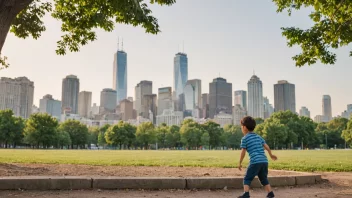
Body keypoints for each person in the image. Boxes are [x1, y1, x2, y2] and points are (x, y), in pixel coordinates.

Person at [237, 116, 278, 198]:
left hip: (255, 162)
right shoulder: (258, 137)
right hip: (264, 161)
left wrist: (240, 162)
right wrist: (271, 155)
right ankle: (270, 193)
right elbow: (266, 146)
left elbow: (243, 152)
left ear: (244, 127)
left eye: (241, 127)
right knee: (263, 178)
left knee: (247, 178)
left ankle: (246, 194)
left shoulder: (245, 138)